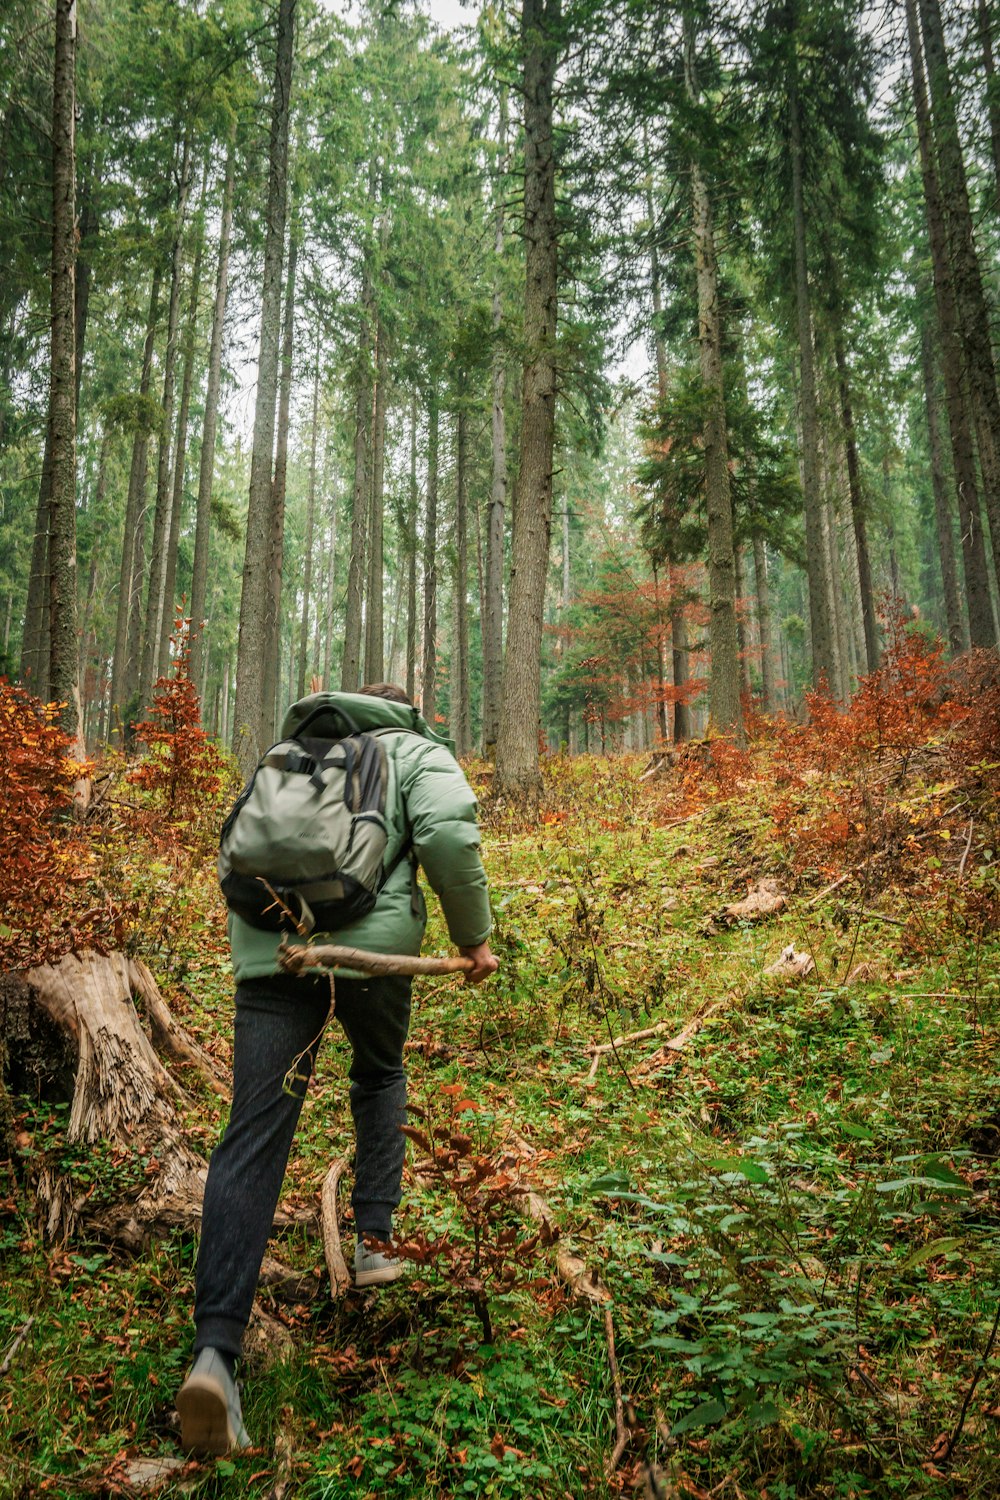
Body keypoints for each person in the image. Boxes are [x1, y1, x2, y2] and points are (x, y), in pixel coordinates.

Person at [175, 684, 498, 1456]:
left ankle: (215, 1354)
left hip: (272, 957)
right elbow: (450, 837)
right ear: (407, 708)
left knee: (252, 1135)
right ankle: (375, 1240)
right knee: (380, 1074)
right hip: (372, 955)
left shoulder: (292, 750)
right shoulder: (416, 749)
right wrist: (475, 937)